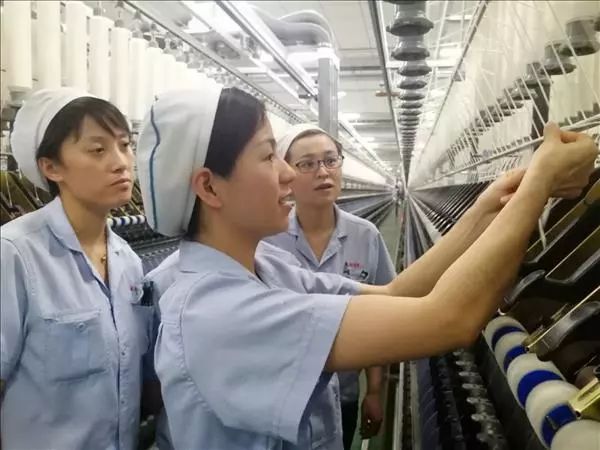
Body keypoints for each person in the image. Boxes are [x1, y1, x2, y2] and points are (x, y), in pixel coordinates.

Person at [136, 85, 597, 450]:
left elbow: (396, 295)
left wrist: (490, 205)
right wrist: (540, 183)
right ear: (209, 188)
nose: (288, 173)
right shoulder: (217, 313)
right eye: (267, 155)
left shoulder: (267, 268)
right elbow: (448, 318)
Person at [0, 88, 155, 450]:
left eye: (125, 145)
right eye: (98, 150)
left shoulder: (128, 262)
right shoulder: (15, 255)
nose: (121, 162)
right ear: (51, 167)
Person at [266, 124, 395, 446]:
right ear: (286, 175)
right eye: (307, 164)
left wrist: (374, 390)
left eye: (330, 160)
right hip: (281, 399)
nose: (322, 172)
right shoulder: (267, 240)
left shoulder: (366, 235)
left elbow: (381, 316)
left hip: (345, 396)